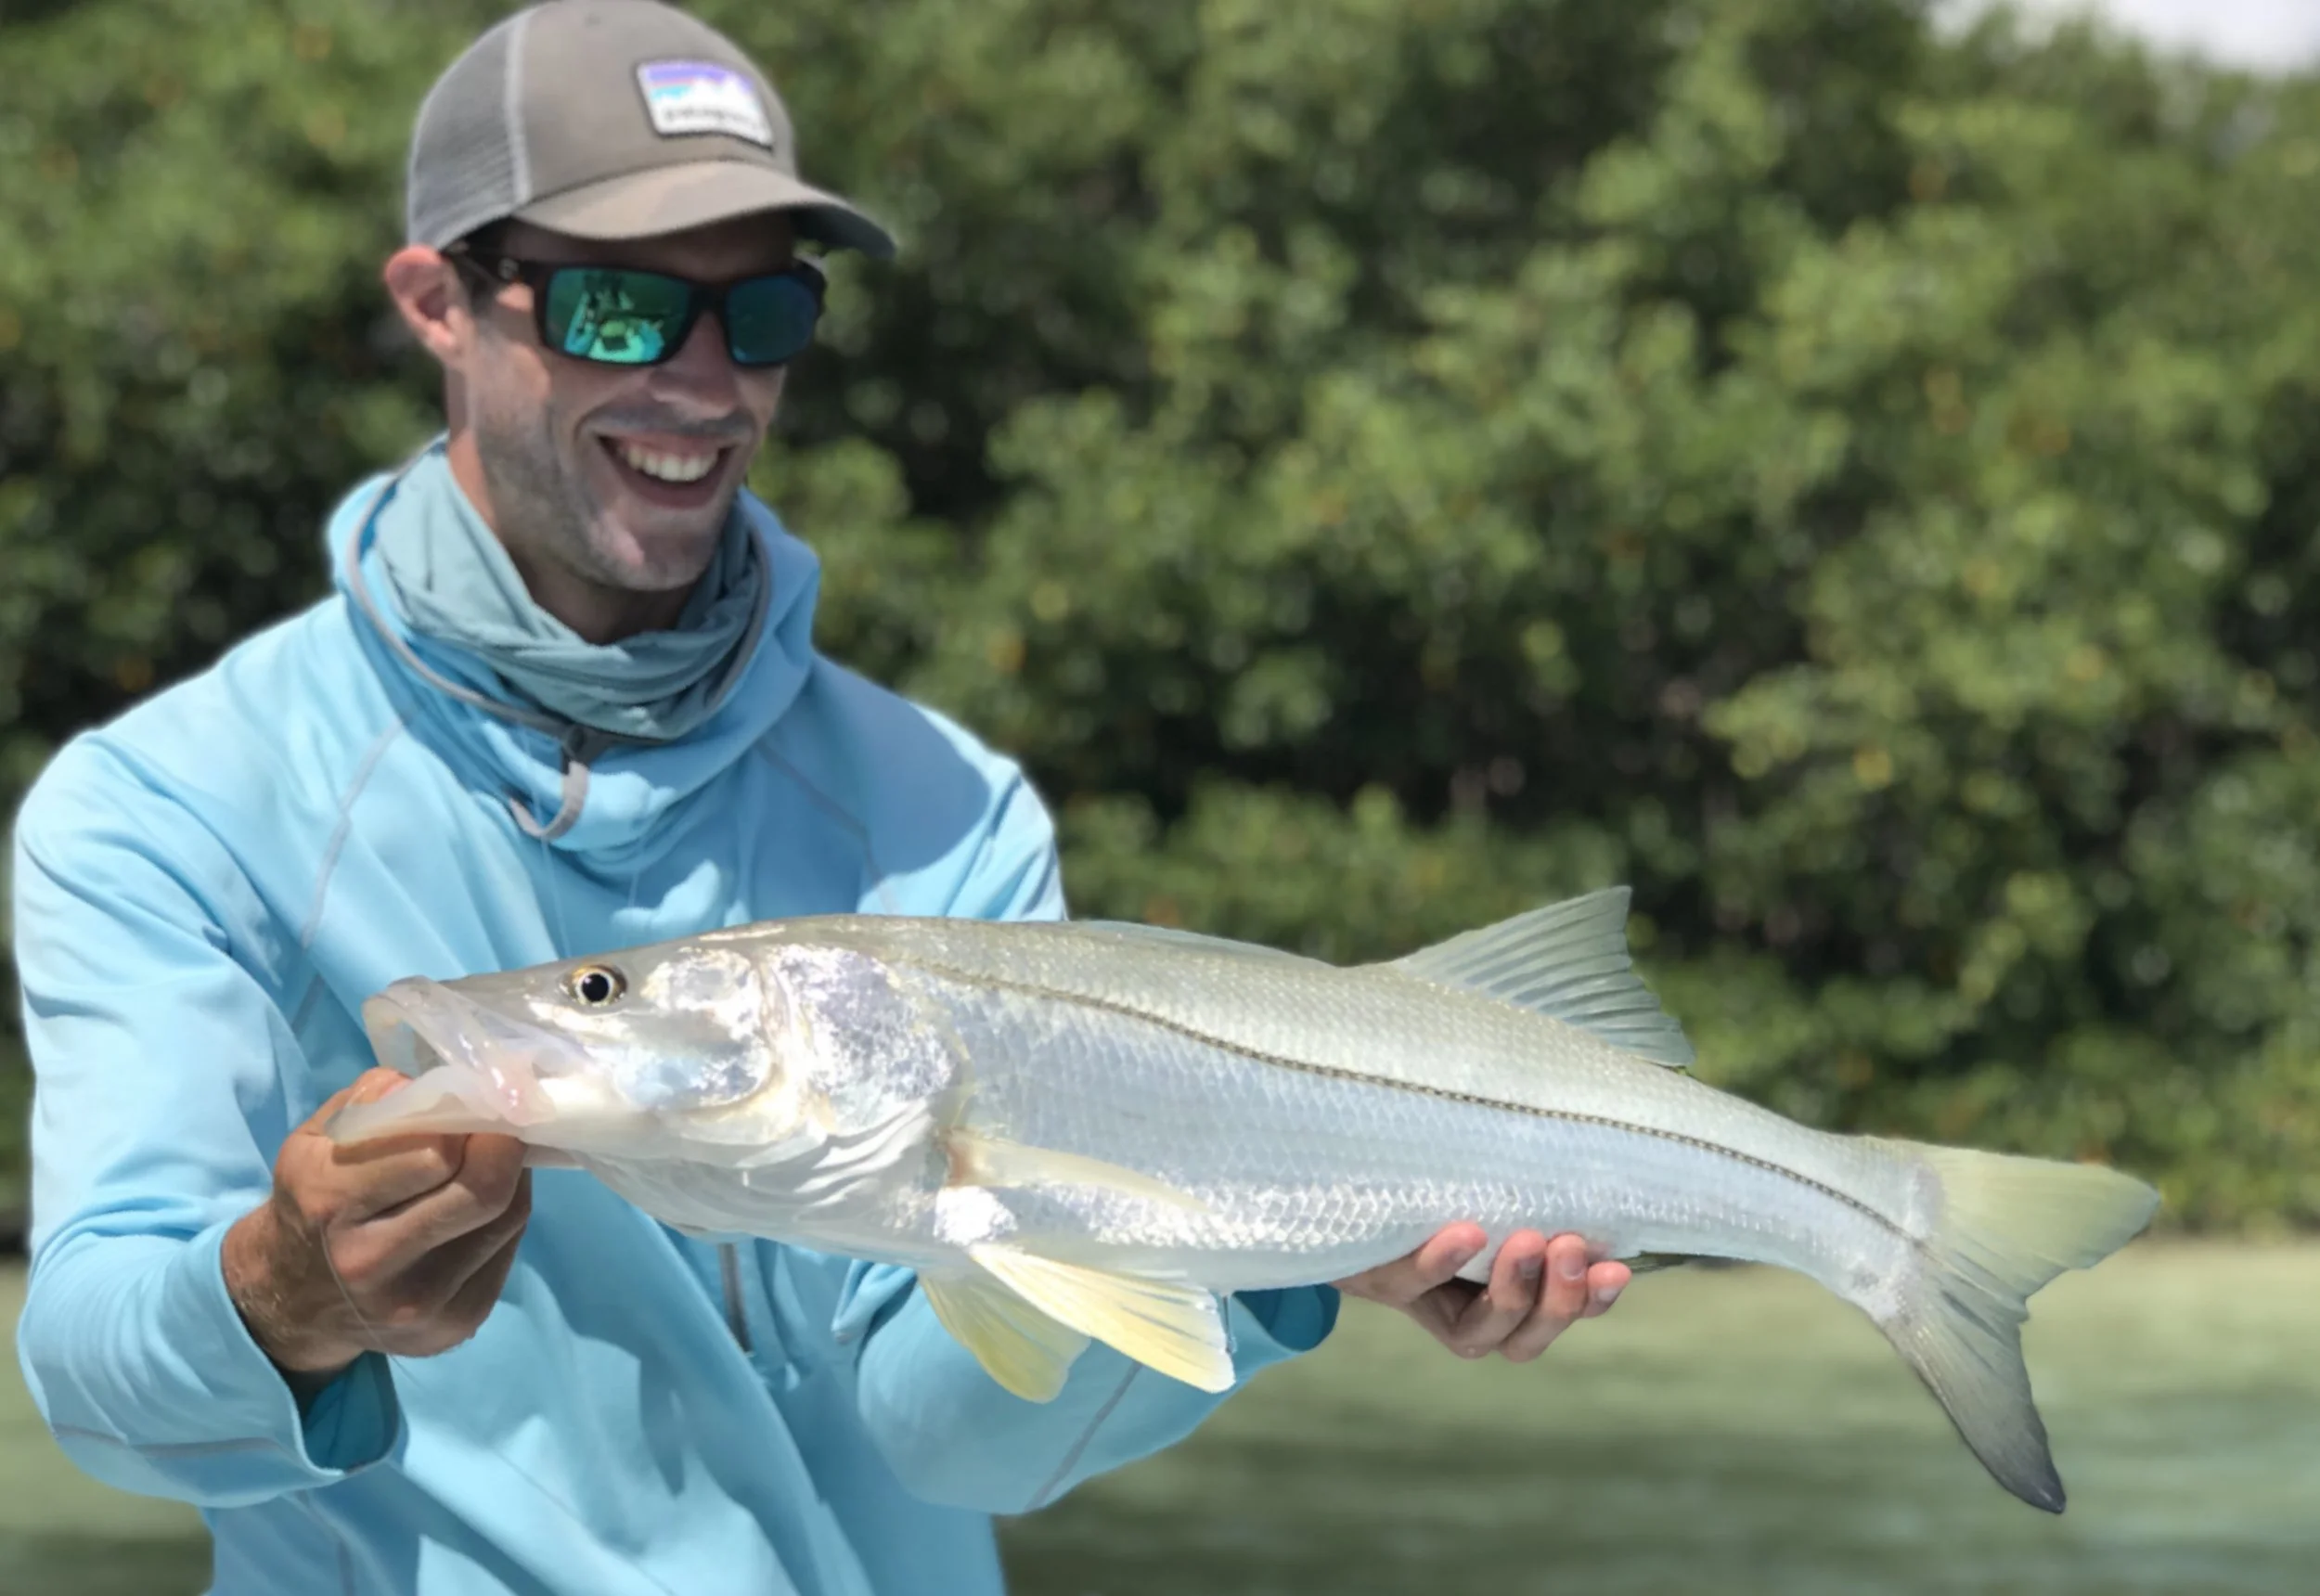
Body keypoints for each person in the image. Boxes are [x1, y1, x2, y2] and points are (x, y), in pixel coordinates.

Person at [9, 4, 1630, 1592]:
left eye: (764, 313)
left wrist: (1290, 1250)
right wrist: (284, 1298)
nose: (707, 387)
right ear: (439, 302)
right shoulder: (163, 807)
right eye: (623, 311)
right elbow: (95, 1382)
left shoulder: (950, 807)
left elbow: (957, 1439)